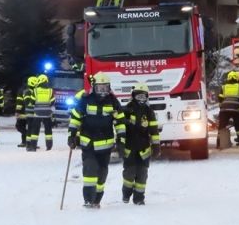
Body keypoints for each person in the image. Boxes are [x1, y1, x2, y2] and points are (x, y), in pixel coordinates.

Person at [67, 72, 126, 208]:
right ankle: (88, 199)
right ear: (94, 87)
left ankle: (97, 199)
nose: (103, 91)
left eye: (105, 88)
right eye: (100, 88)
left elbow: (120, 122)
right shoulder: (86, 100)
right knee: (90, 170)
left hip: (105, 146)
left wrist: (121, 140)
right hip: (88, 143)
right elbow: (75, 118)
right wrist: (72, 135)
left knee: (102, 173)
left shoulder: (113, 102)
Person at [120, 83, 160, 206]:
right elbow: (120, 127)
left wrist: (156, 145)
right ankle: (126, 193)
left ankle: (139, 198)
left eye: (143, 97)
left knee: (142, 175)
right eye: (138, 97)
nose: (141, 99)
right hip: (130, 148)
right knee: (129, 174)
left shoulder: (149, 112)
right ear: (133, 96)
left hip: (144, 149)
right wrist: (119, 144)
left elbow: (154, 129)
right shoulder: (126, 109)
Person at [218, 70, 239, 148]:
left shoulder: (223, 87)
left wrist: (222, 107)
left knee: (222, 126)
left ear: (228, 78)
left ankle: (219, 143)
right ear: (236, 78)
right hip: (236, 109)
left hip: (224, 109)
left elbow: (220, 98)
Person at [28, 73, 55, 151]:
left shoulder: (35, 90)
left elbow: (32, 102)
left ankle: (33, 146)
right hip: (47, 113)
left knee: (35, 130)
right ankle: (49, 146)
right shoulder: (50, 91)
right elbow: (53, 102)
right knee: (48, 130)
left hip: (37, 113)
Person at [22, 76, 38, 150]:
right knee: (30, 129)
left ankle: (32, 143)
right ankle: (29, 144)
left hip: (34, 112)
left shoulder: (33, 91)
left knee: (33, 129)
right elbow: (27, 102)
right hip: (30, 112)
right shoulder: (28, 91)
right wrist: (35, 102)